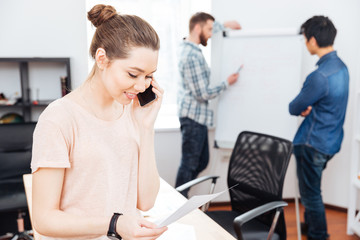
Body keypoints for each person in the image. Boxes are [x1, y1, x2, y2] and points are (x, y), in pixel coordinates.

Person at [31, 4, 168, 240]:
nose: (141, 86)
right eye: (133, 74)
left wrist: (146, 128)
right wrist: (114, 224)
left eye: (149, 76)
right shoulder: (59, 118)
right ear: (102, 59)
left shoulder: (132, 113)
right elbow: (44, 220)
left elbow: (145, 202)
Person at [289, 16, 349, 240]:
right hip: (330, 142)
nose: (305, 43)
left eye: (305, 39)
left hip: (312, 144)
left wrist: (305, 108)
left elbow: (294, 107)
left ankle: (319, 235)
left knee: (311, 194)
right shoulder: (342, 68)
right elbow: (330, 104)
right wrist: (311, 107)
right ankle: (311, 227)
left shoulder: (319, 76)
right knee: (312, 189)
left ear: (313, 40)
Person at [175, 12, 241, 197]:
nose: (212, 34)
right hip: (193, 117)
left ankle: (182, 195)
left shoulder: (190, 48)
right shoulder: (191, 56)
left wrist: (225, 24)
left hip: (197, 117)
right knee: (189, 163)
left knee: (202, 161)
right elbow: (202, 94)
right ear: (198, 28)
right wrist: (227, 82)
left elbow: (208, 27)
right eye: (210, 29)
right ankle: (178, 201)